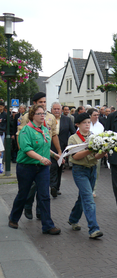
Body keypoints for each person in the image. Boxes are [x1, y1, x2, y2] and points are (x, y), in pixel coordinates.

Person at [8, 104, 61, 235]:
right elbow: (27, 150)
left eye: (43, 113)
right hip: (26, 167)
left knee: (44, 195)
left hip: (42, 169)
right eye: (39, 113)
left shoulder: (44, 129)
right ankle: (13, 218)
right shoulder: (26, 131)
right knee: (23, 194)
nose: (43, 115)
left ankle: (48, 225)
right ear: (33, 116)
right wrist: (41, 159)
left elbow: (44, 147)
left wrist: (55, 155)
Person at [17, 92, 62, 220]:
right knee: (31, 187)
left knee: (43, 188)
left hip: (44, 155)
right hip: (31, 158)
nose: (43, 104)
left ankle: (40, 212)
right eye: (41, 102)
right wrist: (25, 152)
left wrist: (58, 152)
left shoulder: (51, 117)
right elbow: (20, 135)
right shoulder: (27, 117)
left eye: (44, 102)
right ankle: (27, 204)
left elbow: (53, 135)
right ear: (35, 103)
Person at [67, 113, 106, 239]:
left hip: (92, 169)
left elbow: (96, 156)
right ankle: (93, 229)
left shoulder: (93, 137)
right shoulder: (73, 139)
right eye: (84, 123)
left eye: (89, 122)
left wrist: (103, 151)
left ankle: (73, 218)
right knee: (89, 198)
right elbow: (75, 156)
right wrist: (90, 148)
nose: (87, 125)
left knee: (82, 197)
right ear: (77, 124)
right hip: (80, 170)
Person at [49, 102, 76, 198]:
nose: (56, 110)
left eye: (58, 109)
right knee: (53, 167)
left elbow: (73, 132)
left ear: (61, 110)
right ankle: (53, 186)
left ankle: (57, 187)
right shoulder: (48, 119)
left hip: (63, 147)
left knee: (60, 167)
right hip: (50, 147)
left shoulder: (67, 120)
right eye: (54, 109)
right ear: (51, 110)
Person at [87, 108, 104, 198]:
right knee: (87, 170)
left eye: (98, 115)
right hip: (86, 151)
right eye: (95, 115)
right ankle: (87, 188)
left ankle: (93, 189)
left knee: (96, 171)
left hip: (97, 152)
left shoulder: (100, 126)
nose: (97, 117)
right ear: (90, 116)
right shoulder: (85, 124)